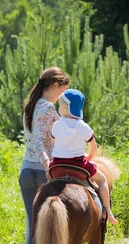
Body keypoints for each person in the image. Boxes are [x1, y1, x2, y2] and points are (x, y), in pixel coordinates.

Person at [20, 67, 69, 244]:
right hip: (42, 172)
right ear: (55, 85)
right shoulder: (47, 107)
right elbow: (40, 142)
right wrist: (49, 165)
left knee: (33, 224)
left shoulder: (31, 104)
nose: (62, 95)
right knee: (53, 224)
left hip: (26, 172)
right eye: (63, 90)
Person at [50, 89, 118, 225]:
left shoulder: (56, 125)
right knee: (103, 180)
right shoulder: (83, 127)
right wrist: (88, 157)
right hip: (78, 165)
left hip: (57, 166)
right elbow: (93, 148)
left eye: (60, 105)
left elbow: (53, 145)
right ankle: (107, 211)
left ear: (65, 107)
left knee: (48, 181)